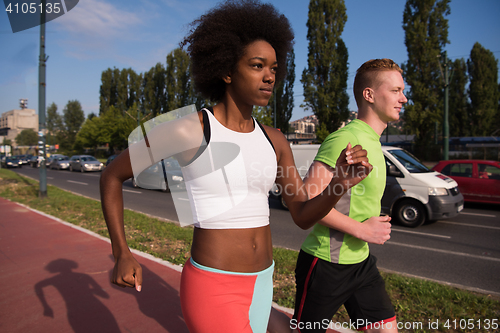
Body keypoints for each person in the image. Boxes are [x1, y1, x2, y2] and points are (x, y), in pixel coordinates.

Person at [100, 1, 371, 332]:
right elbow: (112, 175)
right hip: (213, 285)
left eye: (273, 68)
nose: (270, 76)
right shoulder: (189, 129)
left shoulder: (275, 141)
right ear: (227, 70)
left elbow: (301, 214)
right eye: (258, 66)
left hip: (262, 282)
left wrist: (339, 183)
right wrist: (122, 252)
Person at [292, 59, 408, 333]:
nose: (403, 98)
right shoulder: (344, 139)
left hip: (360, 262)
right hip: (326, 263)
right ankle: (250, 313)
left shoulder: (373, 142)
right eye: (395, 91)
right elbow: (307, 201)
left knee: (386, 329)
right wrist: (361, 229)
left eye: (402, 91)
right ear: (369, 95)